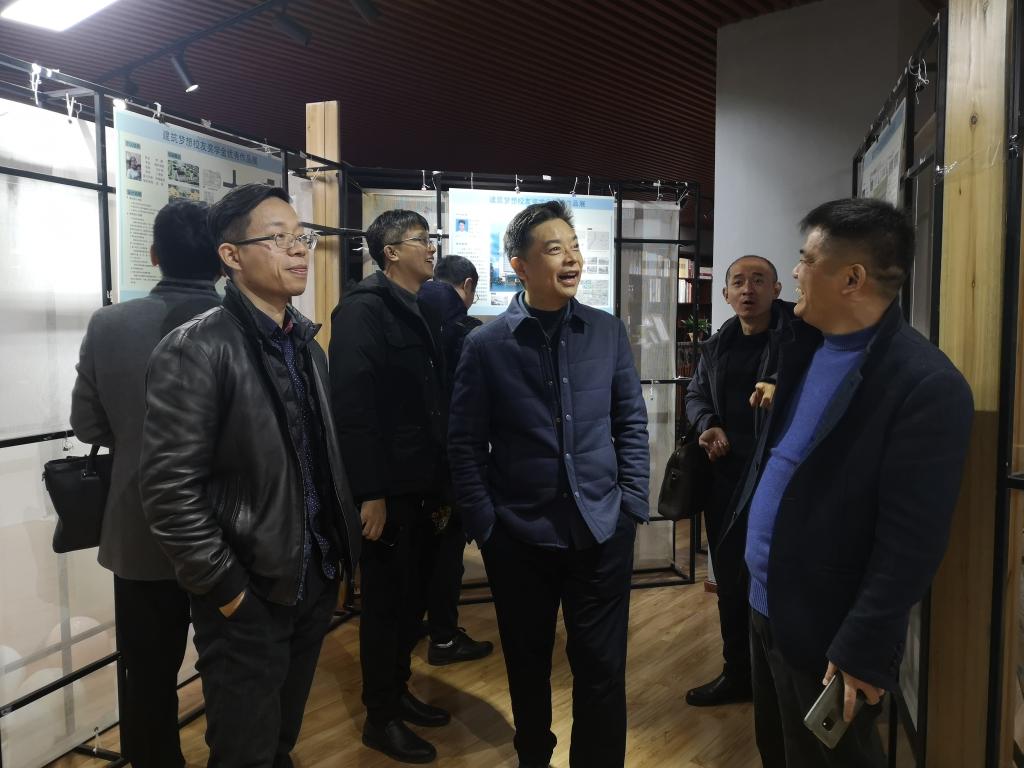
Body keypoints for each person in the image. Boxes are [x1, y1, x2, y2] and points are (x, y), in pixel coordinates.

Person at [717, 198, 973, 767]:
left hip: (828, 630)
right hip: (766, 606)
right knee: (778, 751)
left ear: (852, 278)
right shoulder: (806, 346)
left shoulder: (924, 385)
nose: (796, 272)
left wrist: (863, 645)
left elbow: (911, 543)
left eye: (807, 260)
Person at [140, 184, 361, 768]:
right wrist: (229, 591)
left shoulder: (307, 346)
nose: (299, 250)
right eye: (279, 238)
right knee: (244, 753)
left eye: (301, 237)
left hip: (311, 580)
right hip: (249, 594)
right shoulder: (196, 348)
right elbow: (168, 493)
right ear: (231, 255)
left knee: (280, 741)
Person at [448, 201, 650, 768]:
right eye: (555, 249)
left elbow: (631, 422)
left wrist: (632, 506)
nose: (572, 259)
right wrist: (487, 528)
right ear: (519, 265)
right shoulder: (486, 345)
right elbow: (464, 445)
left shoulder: (606, 331)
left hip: (601, 532)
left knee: (603, 670)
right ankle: (533, 757)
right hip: (520, 537)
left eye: (575, 247)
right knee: (527, 665)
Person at [70, 200, 221, 768]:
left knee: (147, 675)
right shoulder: (243, 321)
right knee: (235, 670)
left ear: (154, 255)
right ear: (222, 257)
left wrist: (136, 438)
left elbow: (87, 425)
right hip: (231, 529)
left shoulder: (109, 324)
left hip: (140, 529)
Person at [329, 210, 451, 764]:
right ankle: (380, 717)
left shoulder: (418, 306)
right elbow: (353, 407)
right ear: (391, 252)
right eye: (423, 240)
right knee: (383, 606)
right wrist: (370, 492)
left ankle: (398, 691)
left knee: (411, 601)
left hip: (422, 483)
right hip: (389, 490)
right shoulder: (363, 310)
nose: (432, 248)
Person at [683, 255, 793, 707]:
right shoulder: (718, 345)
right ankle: (738, 674)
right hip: (726, 481)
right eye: (739, 282)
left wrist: (780, 386)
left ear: (777, 289)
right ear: (726, 293)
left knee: (777, 584)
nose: (749, 289)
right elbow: (695, 394)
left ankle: (782, 683)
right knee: (730, 582)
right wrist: (708, 423)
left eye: (759, 280)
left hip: (777, 485)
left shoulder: (800, 339)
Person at [416, 255, 493, 666]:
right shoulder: (465, 331)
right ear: (466, 285)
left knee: (419, 551)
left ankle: (416, 626)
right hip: (449, 461)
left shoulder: (408, 313)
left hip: (410, 463)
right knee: (447, 553)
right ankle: (444, 638)